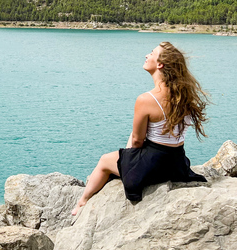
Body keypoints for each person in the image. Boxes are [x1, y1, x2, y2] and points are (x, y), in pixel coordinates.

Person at [72, 41, 209, 215]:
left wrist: (128, 160)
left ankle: (82, 202)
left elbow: (137, 141)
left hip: (153, 165)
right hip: (177, 163)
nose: (146, 55)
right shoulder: (184, 96)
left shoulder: (147, 99)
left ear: (160, 64)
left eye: (151, 53)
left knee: (105, 161)